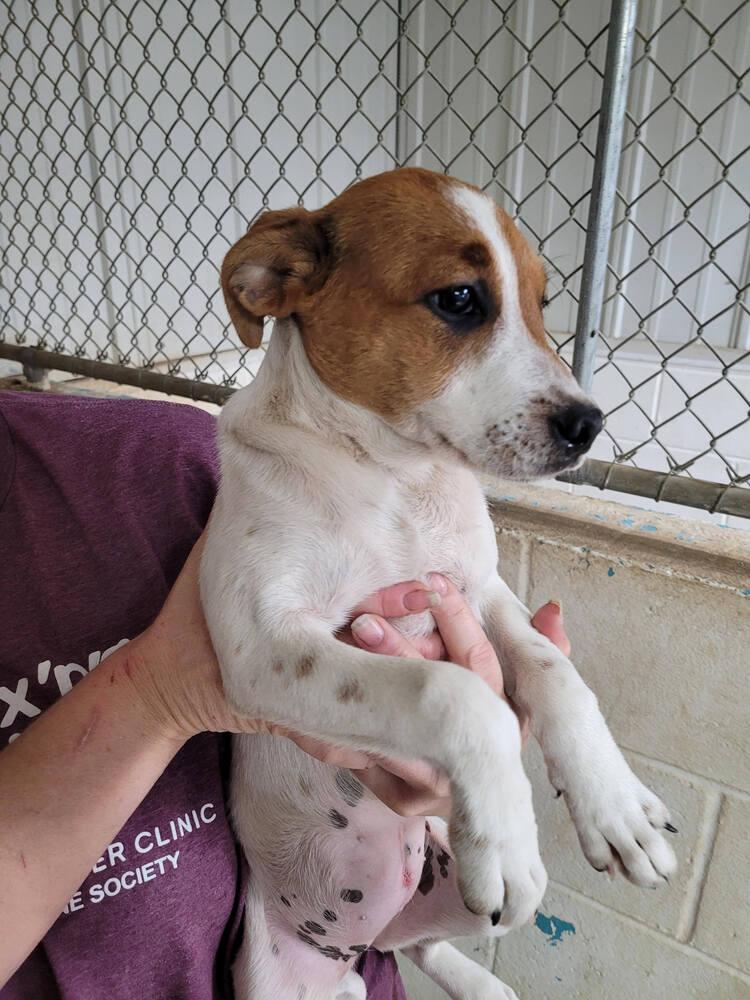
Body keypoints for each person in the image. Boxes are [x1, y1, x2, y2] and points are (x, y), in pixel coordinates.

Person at [0, 389, 568, 999]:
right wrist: (160, 692)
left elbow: (431, 611)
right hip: (281, 949)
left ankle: (425, 949)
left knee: (510, 896)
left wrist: (466, 752)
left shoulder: (177, 457)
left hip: (354, 905)